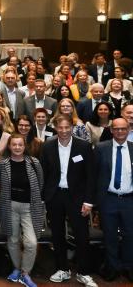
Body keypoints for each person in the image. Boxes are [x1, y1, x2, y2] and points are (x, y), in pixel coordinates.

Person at [41, 114, 97, 286]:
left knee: (82, 235)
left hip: (77, 198)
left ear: (72, 127)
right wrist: (44, 198)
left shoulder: (84, 146)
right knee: (57, 234)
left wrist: (88, 201)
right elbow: (44, 173)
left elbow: (91, 176)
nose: (64, 131)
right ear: (56, 128)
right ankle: (62, 269)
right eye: (60, 128)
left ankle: (83, 272)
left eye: (67, 127)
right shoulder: (48, 145)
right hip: (55, 196)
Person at [0, 134, 45, 287]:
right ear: (9, 146)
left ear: (25, 147)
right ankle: (17, 269)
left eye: (20, 145)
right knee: (13, 240)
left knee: (31, 242)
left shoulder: (34, 162)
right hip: (10, 206)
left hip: (30, 207)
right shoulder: (3, 164)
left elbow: (40, 182)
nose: (17, 147)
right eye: (14, 145)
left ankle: (25, 272)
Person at [94, 117, 133, 282]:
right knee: (109, 236)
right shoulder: (101, 148)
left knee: (130, 235)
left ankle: (128, 267)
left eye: (123, 128)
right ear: (111, 130)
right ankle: (113, 267)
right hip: (108, 199)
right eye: (116, 129)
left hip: (129, 200)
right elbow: (94, 175)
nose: (120, 131)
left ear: (128, 130)